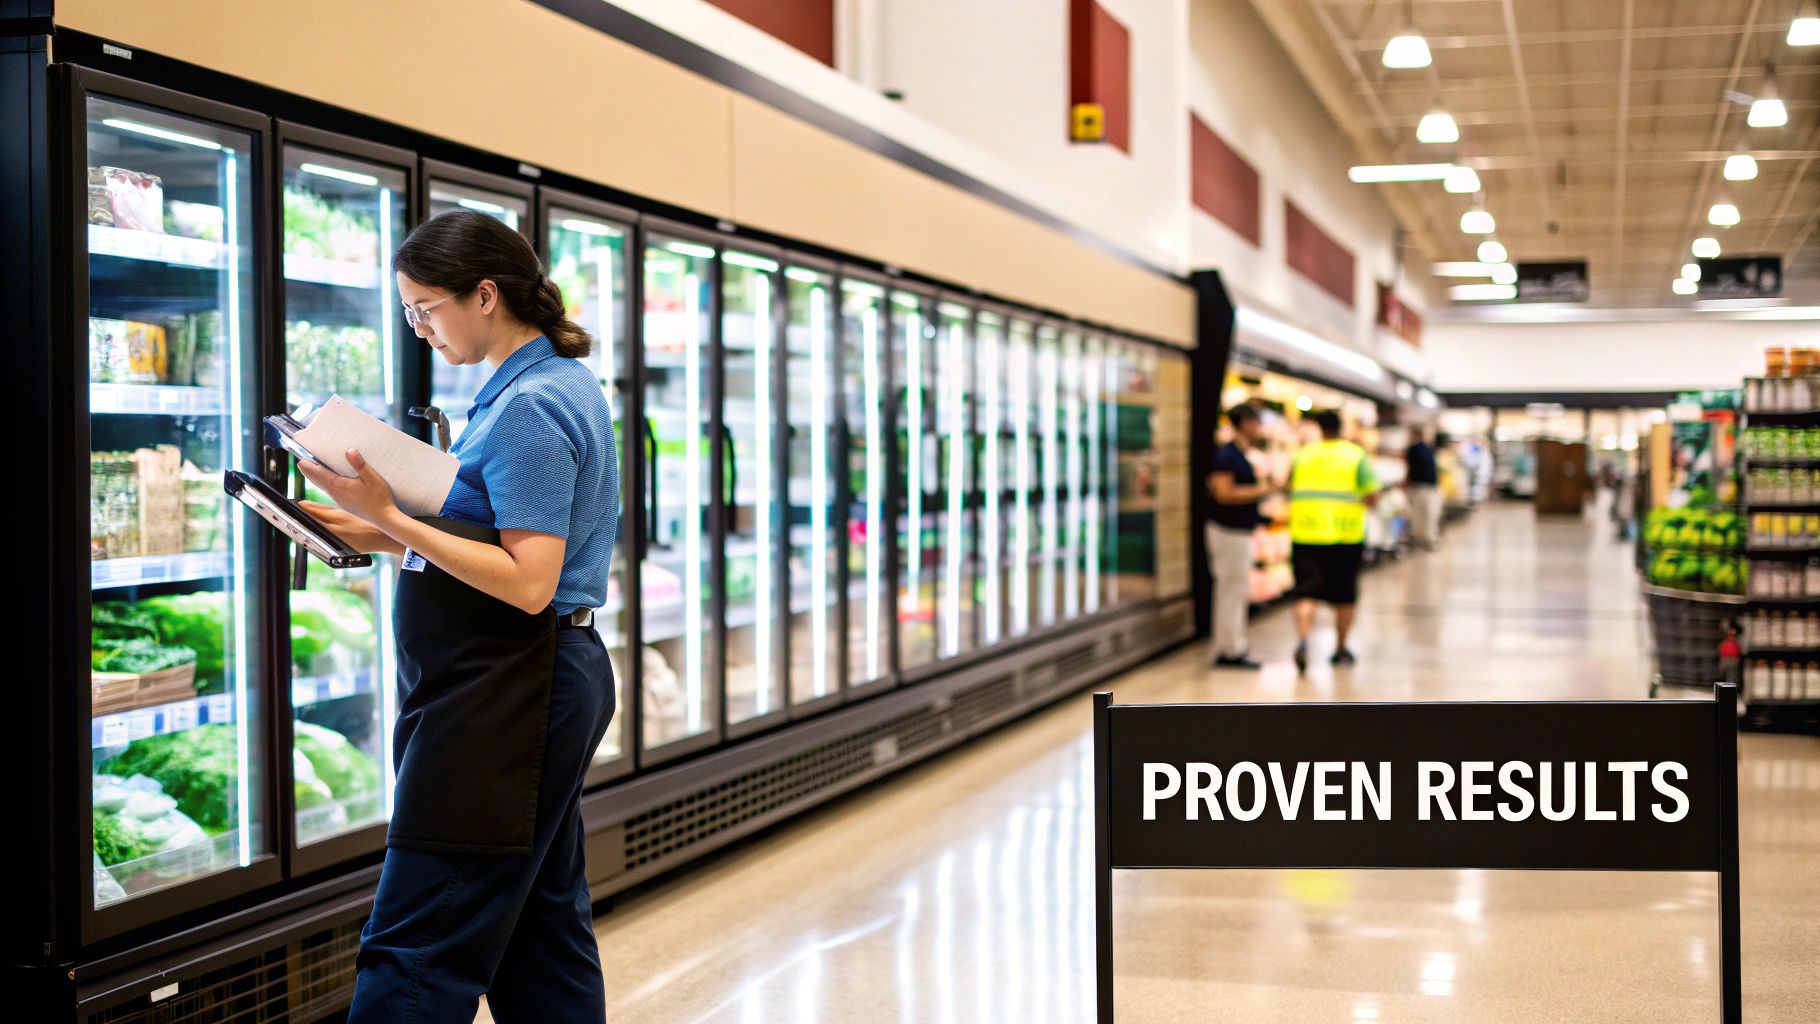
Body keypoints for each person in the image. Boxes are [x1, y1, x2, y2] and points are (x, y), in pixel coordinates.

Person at [298, 211, 619, 1024]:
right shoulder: (542, 384)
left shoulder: (531, 408)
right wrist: (344, 520)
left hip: (509, 690)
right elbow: (479, 529)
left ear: (486, 294)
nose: (420, 330)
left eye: (426, 309)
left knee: (418, 944)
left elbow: (528, 580)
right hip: (529, 683)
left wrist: (393, 520)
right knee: (540, 933)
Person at [1288, 411, 1379, 672]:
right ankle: (1340, 649)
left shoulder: (1303, 454)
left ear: (1319, 428)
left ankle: (1303, 641)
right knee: (1345, 595)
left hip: (1305, 533)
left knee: (1306, 591)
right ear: (1341, 428)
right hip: (1344, 535)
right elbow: (1372, 495)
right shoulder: (1355, 455)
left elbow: (1287, 485)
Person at [1205, 404, 1275, 668]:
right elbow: (1224, 493)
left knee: (1235, 589)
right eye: (1256, 421)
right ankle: (1229, 648)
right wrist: (1261, 490)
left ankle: (1233, 643)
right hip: (1228, 531)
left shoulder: (1239, 454)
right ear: (1245, 422)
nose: (1259, 427)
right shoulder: (1227, 455)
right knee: (1231, 590)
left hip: (1238, 531)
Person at [1404, 427, 1441, 551]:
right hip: (1428, 487)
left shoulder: (1416, 449)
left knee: (1421, 515)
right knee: (1428, 515)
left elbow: (1408, 469)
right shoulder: (1426, 449)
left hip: (1421, 487)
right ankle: (1427, 539)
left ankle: (1423, 539)